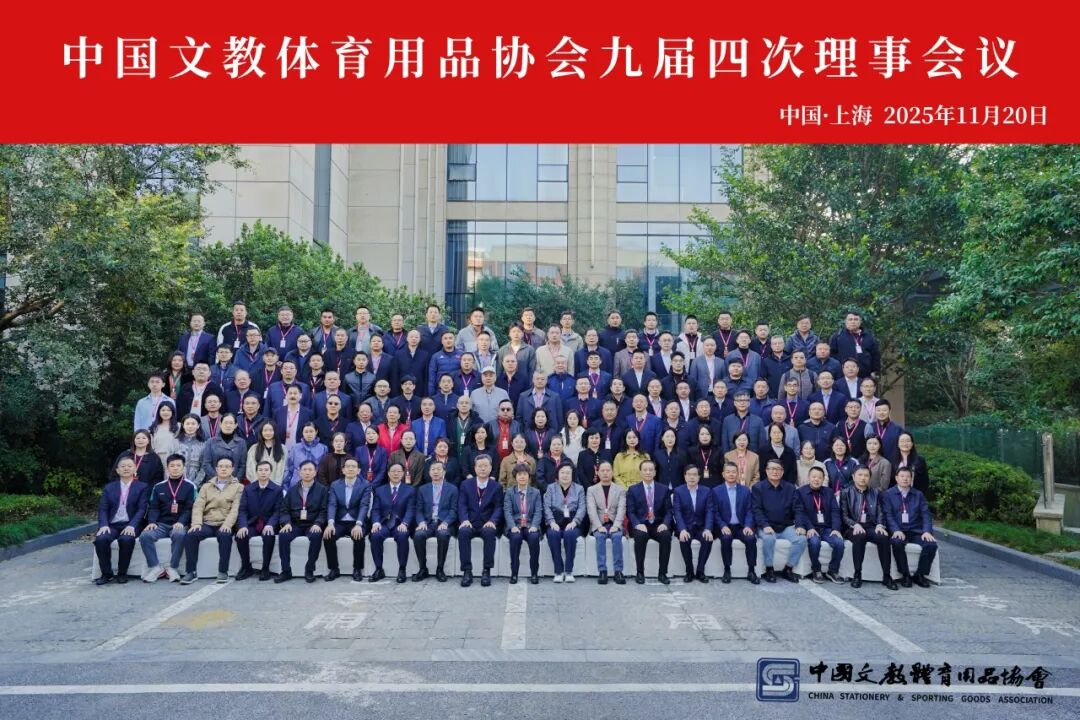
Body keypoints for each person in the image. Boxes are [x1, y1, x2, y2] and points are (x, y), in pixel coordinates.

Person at [180, 456, 242, 584]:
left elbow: (236, 508)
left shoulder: (238, 487)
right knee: (191, 535)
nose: (224, 469)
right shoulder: (206, 486)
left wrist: (227, 524)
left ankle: (223, 571)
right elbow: (198, 506)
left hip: (224, 522)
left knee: (225, 536)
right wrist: (196, 523)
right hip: (207, 523)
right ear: (216, 469)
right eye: (221, 466)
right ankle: (191, 572)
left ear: (232, 469)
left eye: (227, 467)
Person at [138, 454, 195, 583]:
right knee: (145, 536)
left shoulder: (190, 486)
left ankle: (173, 568)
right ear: (167, 468)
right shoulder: (158, 487)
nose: (175, 468)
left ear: (183, 468)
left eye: (178, 465)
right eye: (172, 465)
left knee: (179, 534)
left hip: (179, 524)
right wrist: (152, 522)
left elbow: (189, 508)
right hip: (161, 524)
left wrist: (181, 522)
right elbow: (154, 507)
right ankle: (155, 567)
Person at [93, 457, 149, 585]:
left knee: (126, 539)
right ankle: (106, 574)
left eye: (129, 466)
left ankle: (122, 573)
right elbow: (103, 508)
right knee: (101, 539)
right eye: (123, 466)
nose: (126, 468)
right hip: (112, 525)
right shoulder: (109, 488)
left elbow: (142, 509)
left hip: (131, 524)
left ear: (135, 469)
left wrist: (132, 526)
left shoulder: (142, 487)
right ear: (118, 470)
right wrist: (103, 525)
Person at [751, 458, 807, 583]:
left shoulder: (790, 488)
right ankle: (769, 569)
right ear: (766, 471)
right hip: (767, 526)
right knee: (769, 539)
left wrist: (799, 525)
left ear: (782, 472)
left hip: (786, 526)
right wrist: (764, 525)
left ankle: (788, 569)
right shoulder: (758, 488)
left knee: (801, 539)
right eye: (771, 469)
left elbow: (798, 508)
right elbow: (756, 509)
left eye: (778, 469)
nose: (775, 472)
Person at [840, 465, 896, 590]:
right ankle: (857, 574)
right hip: (853, 527)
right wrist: (854, 524)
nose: (863, 478)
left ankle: (887, 576)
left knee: (883, 537)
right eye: (860, 475)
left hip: (871, 526)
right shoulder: (846, 492)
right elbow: (844, 515)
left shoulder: (876, 492)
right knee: (859, 536)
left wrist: (880, 525)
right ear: (853, 477)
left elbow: (881, 512)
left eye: (866, 475)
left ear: (870, 478)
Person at [275, 460, 329, 583]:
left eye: (310, 470)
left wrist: (318, 523)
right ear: (299, 472)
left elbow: (324, 510)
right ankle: (286, 571)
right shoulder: (292, 490)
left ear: (315, 472)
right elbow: (284, 509)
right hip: (295, 524)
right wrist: (286, 523)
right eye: (304, 470)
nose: (307, 472)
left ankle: (309, 569)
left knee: (316, 536)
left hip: (312, 524)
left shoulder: (322, 490)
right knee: (283, 535)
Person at [883, 467, 937, 588]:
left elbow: (926, 514)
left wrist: (927, 531)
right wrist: (895, 530)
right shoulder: (888, 494)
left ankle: (920, 575)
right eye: (902, 476)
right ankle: (905, 575)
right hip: (899, 530)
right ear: (896, 478)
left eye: (908, 476)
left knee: (931, 544)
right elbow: (888, 515)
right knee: (897, 543)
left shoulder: (918, 494)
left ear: (911, 479)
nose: (905, 479)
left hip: (915, 530)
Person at [322, 457, 372, 582]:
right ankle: (334, 569)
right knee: (328, 535)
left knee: (359, 536)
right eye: (348, 466)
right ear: (343, 470)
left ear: (358, 470)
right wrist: (330, 523)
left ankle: (357, 569)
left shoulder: (365, 484)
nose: (350, 469)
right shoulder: (335, 485)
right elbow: (332, 504)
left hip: (356, 521)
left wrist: (359, 524)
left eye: (353, 466)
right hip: (339, 521)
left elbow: (364, 505)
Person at [457, 454, 503, 587]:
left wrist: (493, 521)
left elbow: (498, 507)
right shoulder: (466, 484)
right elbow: (462, 505)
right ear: (475, 468)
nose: (483, 469)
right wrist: (464, 520)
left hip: (486, 522)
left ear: (491, 468)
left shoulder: (496, 486)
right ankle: (467, 571)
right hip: (470, 522)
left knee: (490, 532)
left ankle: (486, 570)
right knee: (463, 532)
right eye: (480, 466)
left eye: (485, 466)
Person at [234, 460, 282, 582]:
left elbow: (277, 511)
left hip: (268, 523)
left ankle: (265, 568)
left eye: (266, 470)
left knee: (269, 536)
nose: (263, 472)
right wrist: (243, 525)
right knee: (241, 536)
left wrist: (271, 525)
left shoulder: (277, 490)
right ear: (256, 472)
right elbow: (243, 510)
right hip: (253, 523)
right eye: (260, 470)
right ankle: (246, 567)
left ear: (270, 472)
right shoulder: (248, 489)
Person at [366, 462, 415, 583]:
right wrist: (376, 523)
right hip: (384, 523)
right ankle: (379, 569)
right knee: (375, 535)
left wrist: (405, 523)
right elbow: (376, 509)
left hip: (400, 524)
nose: (396, 474)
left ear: (403, 474)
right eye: (393, 471)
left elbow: (410, 509)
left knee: (403, 536)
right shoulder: (380, 490)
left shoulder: (410, 490)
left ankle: (402, 569)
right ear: (388, 473)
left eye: (399, 471)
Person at [626, 459, 672, 585]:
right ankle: (640, 572)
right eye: (645, 470)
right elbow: (630, 511)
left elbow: (669, 511)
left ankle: (662, 573)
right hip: (641, 524)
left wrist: (665, 524)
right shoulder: (633, 489)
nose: (648, 472)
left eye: (651, 470)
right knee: (640, 536)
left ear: (655, 472)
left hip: (657, 524)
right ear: (640, 472)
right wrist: (637, 524)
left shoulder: (663, 489)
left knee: (666, 536)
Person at [797, 466, 846, 584]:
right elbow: (800, 512)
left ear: (823, 479)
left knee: (839, 542)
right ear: (808, 478)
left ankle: (832, 571)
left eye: (819, 477)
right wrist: (809, 527)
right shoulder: (800, 492)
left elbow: (835, 511)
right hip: (812, 527)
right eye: (814, 477)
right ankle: (816, 570)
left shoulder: (829, 492)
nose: (816, 479)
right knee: (814, 542)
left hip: (827, 527)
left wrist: (836, 528)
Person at [713, 461, 759, 584]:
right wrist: (722, 525)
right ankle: (727, 570)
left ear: (738, 474)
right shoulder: (716, 491)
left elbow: (749, 510)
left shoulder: (745, 490)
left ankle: (751, 570)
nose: (731, 474)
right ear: (723, 474)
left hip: (741, 526)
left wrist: (748, 526)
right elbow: (714, 512)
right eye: (728, 472)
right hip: (725, 526)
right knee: (726, 538)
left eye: (734, 472)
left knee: (751, 538)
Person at [412, 460, 457, 582]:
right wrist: (421, 522)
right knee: (418, 535)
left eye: (438, 469)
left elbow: (453, 510)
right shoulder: (422, 489)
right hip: (428, 522)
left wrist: (446, 523)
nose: (436, 472)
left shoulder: (452, 489)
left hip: (444, 522)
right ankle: (423, 569)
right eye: (433, 469)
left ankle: (440, 569)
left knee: (443, 534)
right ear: (429, 472)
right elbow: (419, 509)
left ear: (444, 472)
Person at [544, 461, 586, 583]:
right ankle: (558, 571)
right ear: (558, 474)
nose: (565, 475)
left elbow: (582, 508)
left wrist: (575, 522)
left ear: (572, 475)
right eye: (562, 472)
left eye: (568, 473)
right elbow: (546, 507)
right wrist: (552, 522)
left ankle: (568, 571)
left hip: (572, 521)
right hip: (555, 520)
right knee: (553, 535)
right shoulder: (551, 488)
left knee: (570, 534)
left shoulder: (579, 489)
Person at [672, 464, 715, 583]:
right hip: (686, 527)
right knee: (684, 539)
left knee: (707, 539)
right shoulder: (678, 491)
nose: (692, 477)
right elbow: (677, 512)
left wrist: (708, 529)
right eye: (689, 474)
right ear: (685, 476)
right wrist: (682, 529)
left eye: (695, 475)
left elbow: (710, 511)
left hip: (701, 527)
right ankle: (689, 571)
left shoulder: (706, 491)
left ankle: (700, 571)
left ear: (699, 477)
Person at [587, 461, 626, 585]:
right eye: (602, 470)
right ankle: (602, 571)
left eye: (608, 470)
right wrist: (598, 526)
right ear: (598, 473)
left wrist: (616, 525)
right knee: (600, 537)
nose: (605, 473)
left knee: (617, 537)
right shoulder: (591, 490)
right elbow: (591, 510)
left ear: (612, 472)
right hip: (599, 523)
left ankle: (618, 571)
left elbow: (621, 509)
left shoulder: (620, 490)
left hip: (614, 523)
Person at [504, 464, 543, 584]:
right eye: (519, 474)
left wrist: (535, 526)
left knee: (534, 538)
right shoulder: (510, 492)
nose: (522, 477)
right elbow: (507, 511)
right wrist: (512, 526)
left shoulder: (535, 492)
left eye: (525, 474)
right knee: (515, 538)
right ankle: (514, 573)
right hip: (516, 525)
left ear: (529, 477)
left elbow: (538, 511)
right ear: (515, 477)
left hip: (530, 524)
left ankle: (534, 573)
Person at [830, 311, 881, 379]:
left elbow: (875, 355)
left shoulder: (869, 337)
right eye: (850, 319)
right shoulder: (837, 337)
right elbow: (832, 355)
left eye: (856, 319)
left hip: (865, 376)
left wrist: (875, 371)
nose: (853, 322)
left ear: (860, 322)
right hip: (842, 376)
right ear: (845, 321)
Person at [284, 422, 327, 492]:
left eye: (311, 431)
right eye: (306, 432)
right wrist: (285, 485)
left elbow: (324, 470)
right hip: (296, 484)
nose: (308, 434)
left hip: (316, 486)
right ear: (302, 433)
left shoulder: (323, 448)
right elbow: (289, 468)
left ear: (316, 432)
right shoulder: (295, 448)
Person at [177, 414, 208, 486]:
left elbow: (204, 466)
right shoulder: (175, 442)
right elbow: (170, 463)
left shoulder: (204, 444)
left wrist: (195, 484)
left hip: (197, 483)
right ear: (183, 425)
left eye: (193, 424)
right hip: (177, 482)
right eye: (187, 424)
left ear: (198, 425)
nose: (190, 426)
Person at [149, 401, 181, 466]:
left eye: (169, 410)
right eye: (163, 410)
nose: (166, 412)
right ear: (159, 412)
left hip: (174, 461)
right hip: (157, 460)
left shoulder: (179, 426)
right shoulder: (153, 428)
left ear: (173, 412)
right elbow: (151, 447)